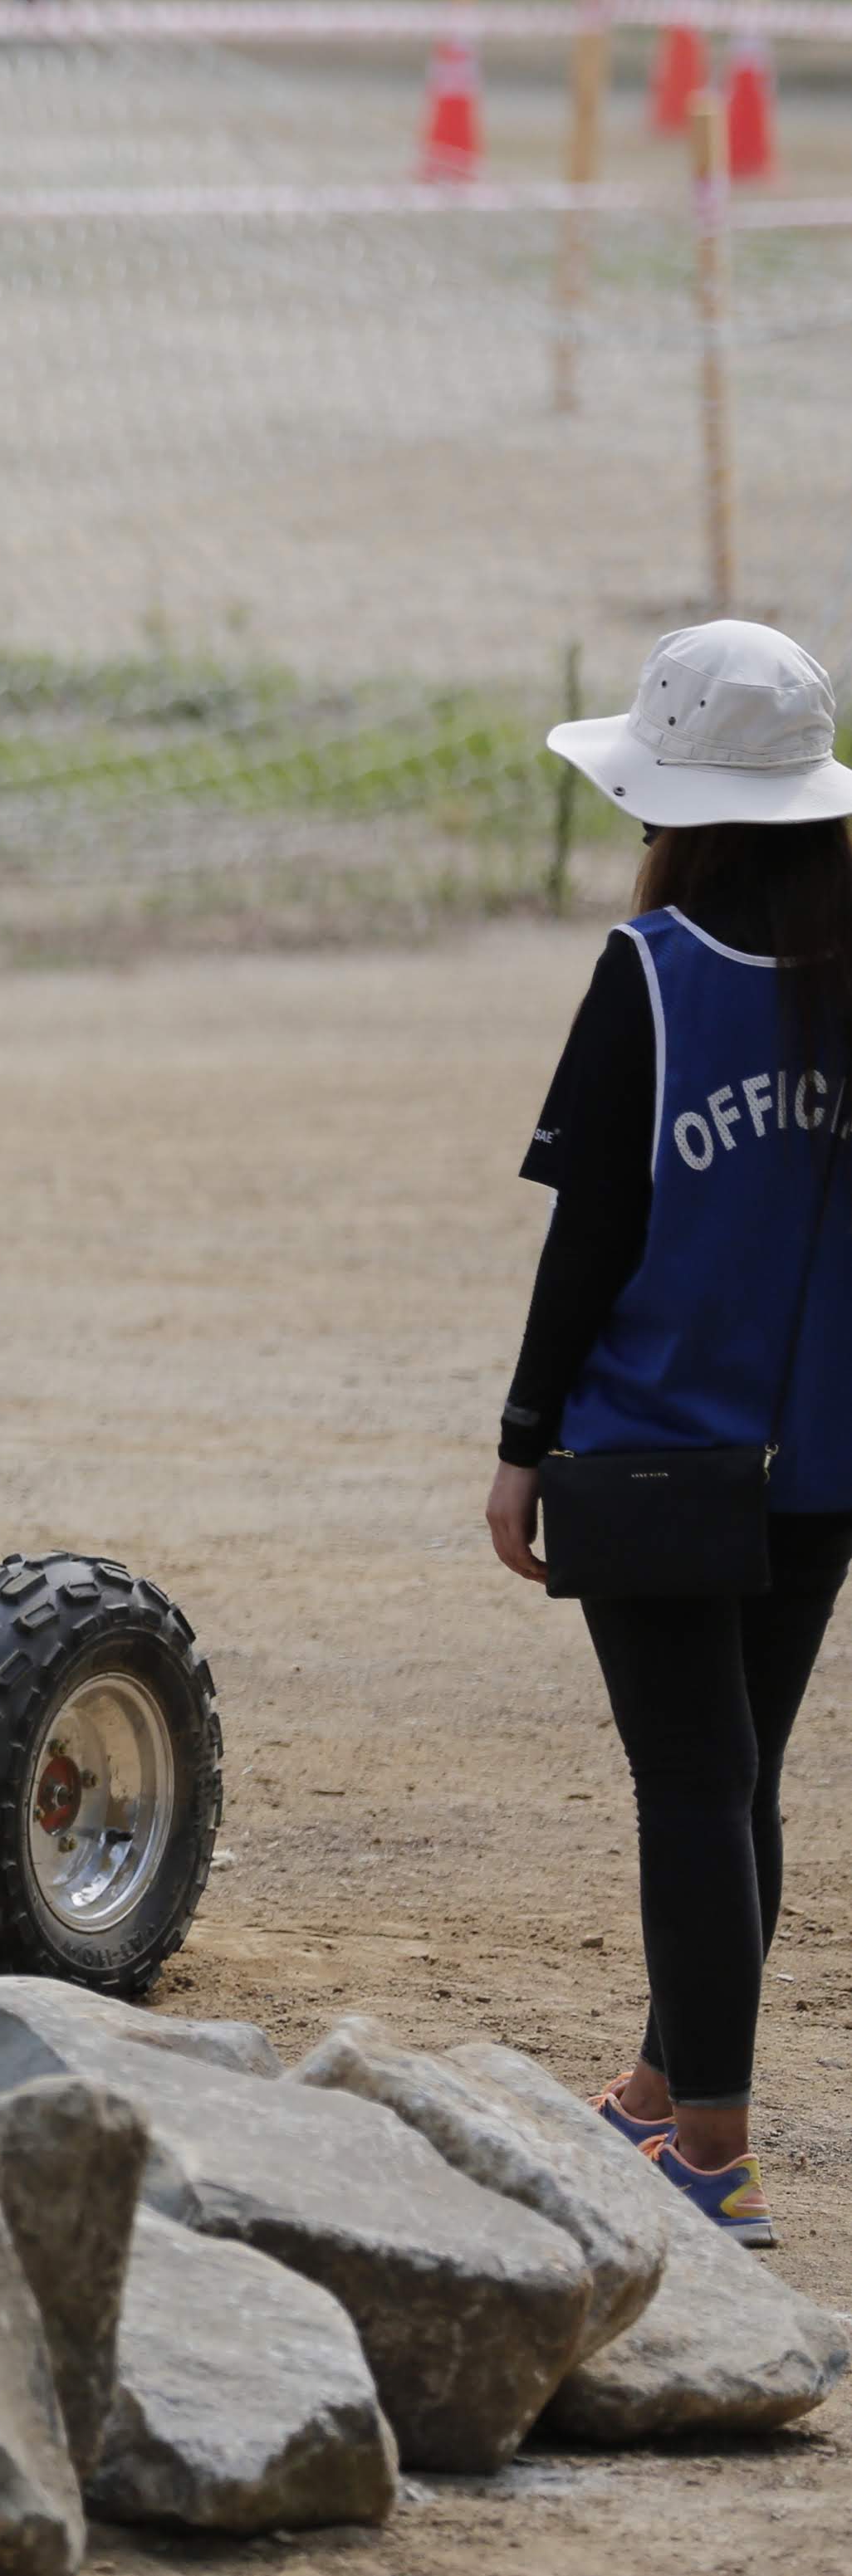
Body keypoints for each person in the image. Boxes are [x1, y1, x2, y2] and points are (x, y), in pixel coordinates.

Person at [486, 618, 852, 2251]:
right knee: (740, 1773)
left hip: (652, 1444)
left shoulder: (650, 976)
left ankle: (711, 2145)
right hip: (824, 1453)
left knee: (693, 1783)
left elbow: (590, 1238)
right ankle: (661, 2078)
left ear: (677, 808)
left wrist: (518, 1438)